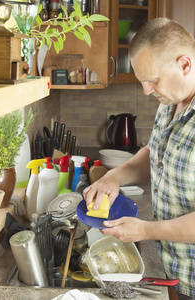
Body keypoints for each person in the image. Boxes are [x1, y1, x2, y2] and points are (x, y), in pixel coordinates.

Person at [83, 18, 195, 300]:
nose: (147, 91)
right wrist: (113, 178)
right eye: (143, 81)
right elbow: (155, 154)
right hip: (175, 271)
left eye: (152, 80)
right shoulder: (170, 101)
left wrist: (146, 230)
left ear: (184, 64)